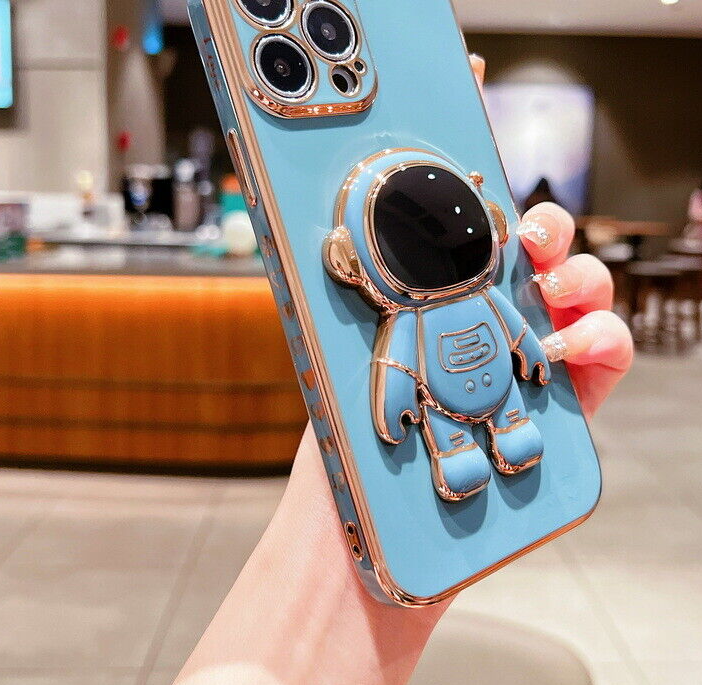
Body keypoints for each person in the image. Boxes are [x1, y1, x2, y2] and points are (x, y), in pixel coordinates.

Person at [173, 57, 634, 685]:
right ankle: (462, 450)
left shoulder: (467, 299)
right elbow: (393, 368)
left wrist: (537, 351)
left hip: (498, 389)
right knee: (453, 441)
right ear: (352, 262)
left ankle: (506, 433)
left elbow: (517, 333)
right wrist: (385, 428)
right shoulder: (408, 319)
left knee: (509, 419)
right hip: (444, 410)